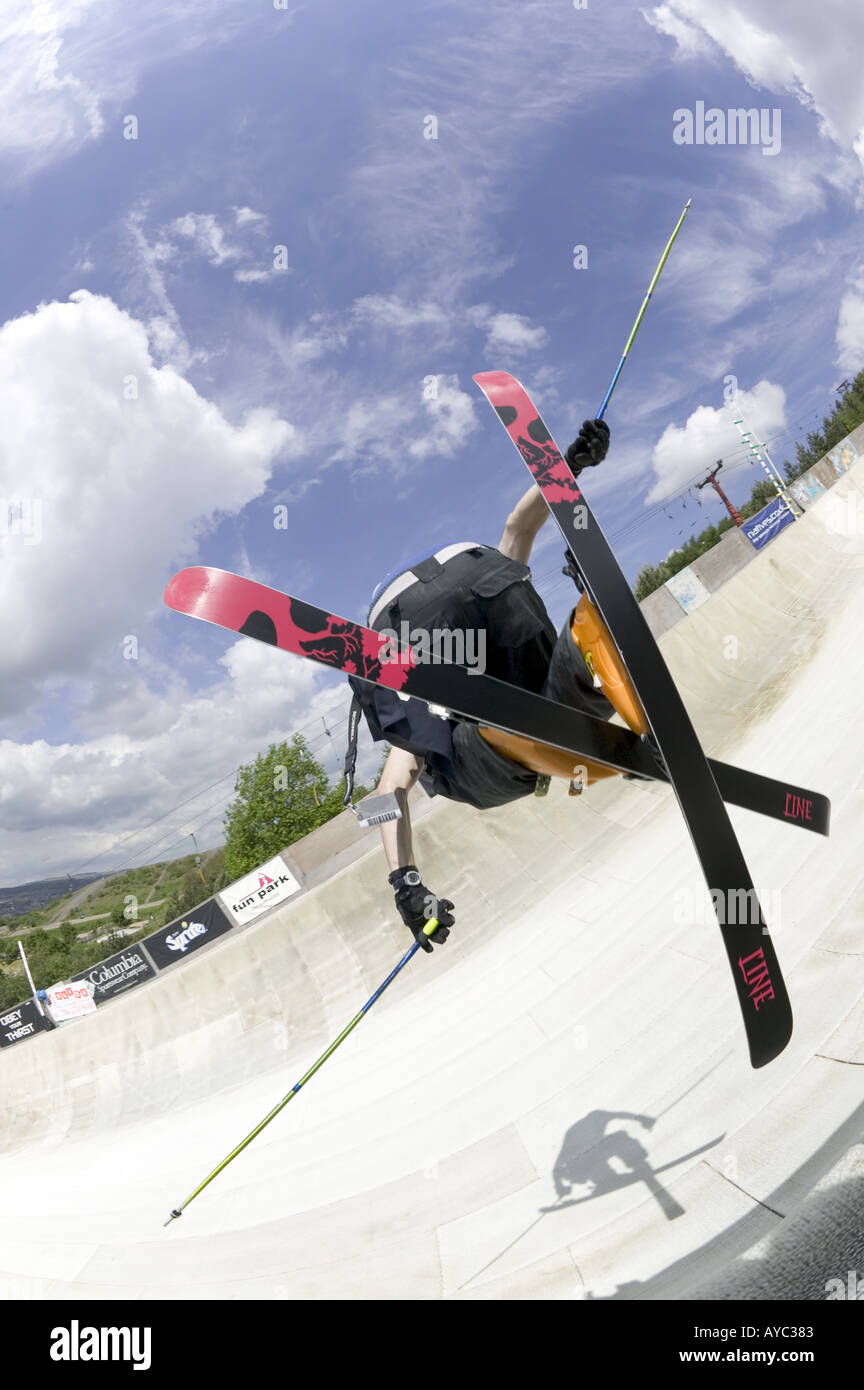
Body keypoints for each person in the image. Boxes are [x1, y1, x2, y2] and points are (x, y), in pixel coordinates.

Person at [350, 418, 614, 954]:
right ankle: (590, 634)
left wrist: (405, 886)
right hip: (474, 564)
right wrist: (569, 464)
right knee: (556, 685)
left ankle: (500, 741)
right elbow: (519, 527)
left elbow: (388, 794)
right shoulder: (486, 583)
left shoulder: (423, 684)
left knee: (458, 761)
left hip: (396, 624)